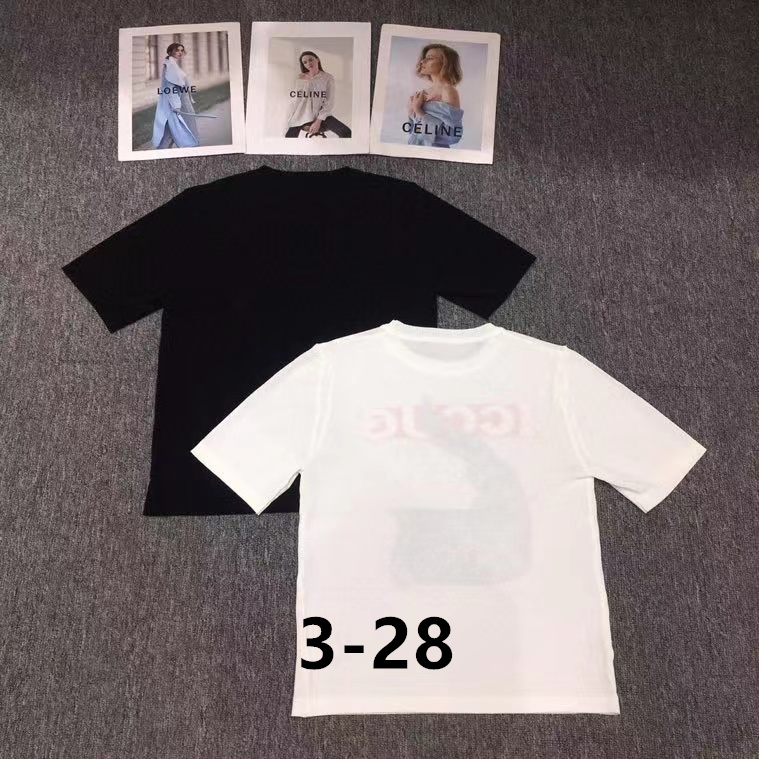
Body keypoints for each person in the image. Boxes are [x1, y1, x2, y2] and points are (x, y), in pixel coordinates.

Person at [406, 43, 464, 148]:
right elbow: (411, 131)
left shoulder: (448, 91)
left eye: (430, 58)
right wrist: (411, 112)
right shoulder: (422, 92)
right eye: (424, 58)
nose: (422, 61)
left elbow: (453, 135)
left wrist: (418, 110)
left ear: (445, 63)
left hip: (436, 151)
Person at [285, 51, 352, 138]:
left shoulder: (327, 78)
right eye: (305, 62)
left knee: (346, 132)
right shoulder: (300, 78)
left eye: (310, 60)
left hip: (322, 116)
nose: (308, 63)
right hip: (301, 115)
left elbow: (329, 101)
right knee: (289, 138)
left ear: (317, 59)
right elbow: (296, 100)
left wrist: (317, 122)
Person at [151, 43, 200, 149]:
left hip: (181, 100)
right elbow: (170, 88)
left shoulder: (172, 64)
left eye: (182, 50)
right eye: (177, 50)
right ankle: (185, 148)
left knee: (174, 128)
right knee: (178, 127)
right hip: (177, 102)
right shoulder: (170, 65)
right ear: (170, 51)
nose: (180, 53)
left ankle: (166, 148)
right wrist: (176, 106)